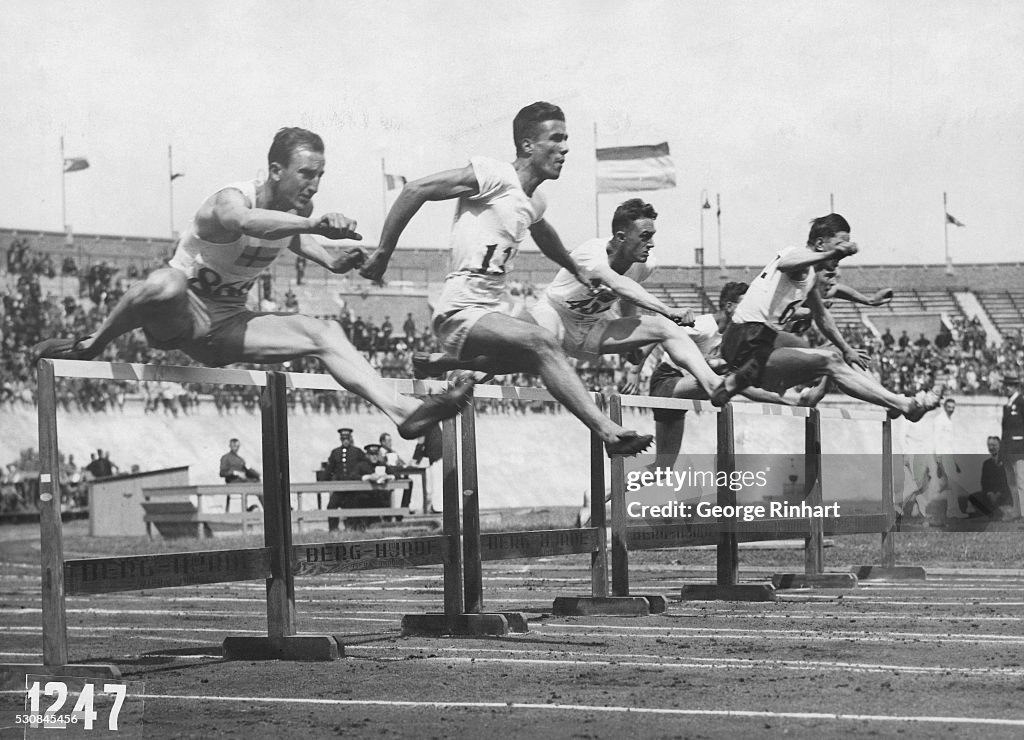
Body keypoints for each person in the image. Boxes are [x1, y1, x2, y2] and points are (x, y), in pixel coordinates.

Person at [31, 127, 470, 450]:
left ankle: (406, 414)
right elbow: (247, 223)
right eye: (305, 174)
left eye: (320, 175)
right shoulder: (230, 200)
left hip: (228, 327)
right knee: (165, 283)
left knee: (327, 333)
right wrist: (313, 222)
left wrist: (332, 260)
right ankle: (91, 344)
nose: (314, 185)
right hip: (180, 318)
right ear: (275, 170)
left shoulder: (297, 212)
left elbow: (289, 235)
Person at [358, 101, 652, 456]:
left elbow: (544, 234)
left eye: (567, 139)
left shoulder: (534, 201)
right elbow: (414, 190)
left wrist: (576, 270)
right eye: (556, 139)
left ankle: (423, 408)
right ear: (528, 145)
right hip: (460, 310)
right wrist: (383, 254)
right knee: (542, 341)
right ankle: (609, 433)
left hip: (491, 313)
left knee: (540, 355)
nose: (565, 148)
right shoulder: (493, 175)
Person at [714, 213, 940, 422]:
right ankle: (904, 404)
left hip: (760, 347)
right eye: (839, 244)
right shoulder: (798, 257)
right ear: (821, 243)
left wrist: (848, 348)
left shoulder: (811, 277)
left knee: (836, 353)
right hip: (743, 338)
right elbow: (786, 264)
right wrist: (832, 253)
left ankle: (891, 402)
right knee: (829, 361)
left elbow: (823, 316)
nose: (841, 255)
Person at [526, 199, 724, 399]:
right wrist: (668, 310)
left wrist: (632, 344)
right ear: (621, 237)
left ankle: (713, 384)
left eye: (652, 236)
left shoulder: (645, 264)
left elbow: (628, 298)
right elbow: (618, 284)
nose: (652, 244)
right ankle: (495, 361)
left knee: (666, 328)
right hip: (556, 314)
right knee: (545, 341)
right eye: (645, 237)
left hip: (591, 328)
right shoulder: (592, 252)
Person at [648, 281, 801, 469]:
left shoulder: (734, 335)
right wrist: (635, 370)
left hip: (684, 395)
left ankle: (609, 493)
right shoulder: (703, 325)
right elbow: (659, 331)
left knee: (661, 469)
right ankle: (790, 400)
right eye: (744, 305)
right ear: (730, 307)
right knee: (725, 380)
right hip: (667, 381)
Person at [326, 427, 367, 531]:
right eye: (343, 438)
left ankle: (353, 528)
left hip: (354, 488)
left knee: (354, 506)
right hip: (339, 488)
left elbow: (365, 466)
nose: (345, 440)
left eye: (347, 438)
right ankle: (333, 529)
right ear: (340, 439)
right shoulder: (335, 452)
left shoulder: (357, 452)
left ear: (350, 438)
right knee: (331, 506)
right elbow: (329, 469)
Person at [965, 436, 1014, 519]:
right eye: (989, 445)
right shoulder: (986, 463)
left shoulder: (1006, 463)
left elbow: (1008, 481)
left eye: (994, 445)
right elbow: (984, 482)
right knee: (972, 498)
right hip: (989, 495)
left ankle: (994, 511)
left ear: (999, 446)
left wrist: (998, 494)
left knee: (1006, 504)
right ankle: (991, 512)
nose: (991, 448)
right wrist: (989, 493)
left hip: (1003, 494)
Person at [1000, 375, 1024, 520]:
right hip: (1008, 449)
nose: (1006, 388)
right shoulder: (1008, 404)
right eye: (1006, 385)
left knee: (1021, 481)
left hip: (1019, 449)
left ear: (1016, 387)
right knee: (1011, 482)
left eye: (1009, 386)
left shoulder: (1021, 402)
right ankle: (1017, 510)